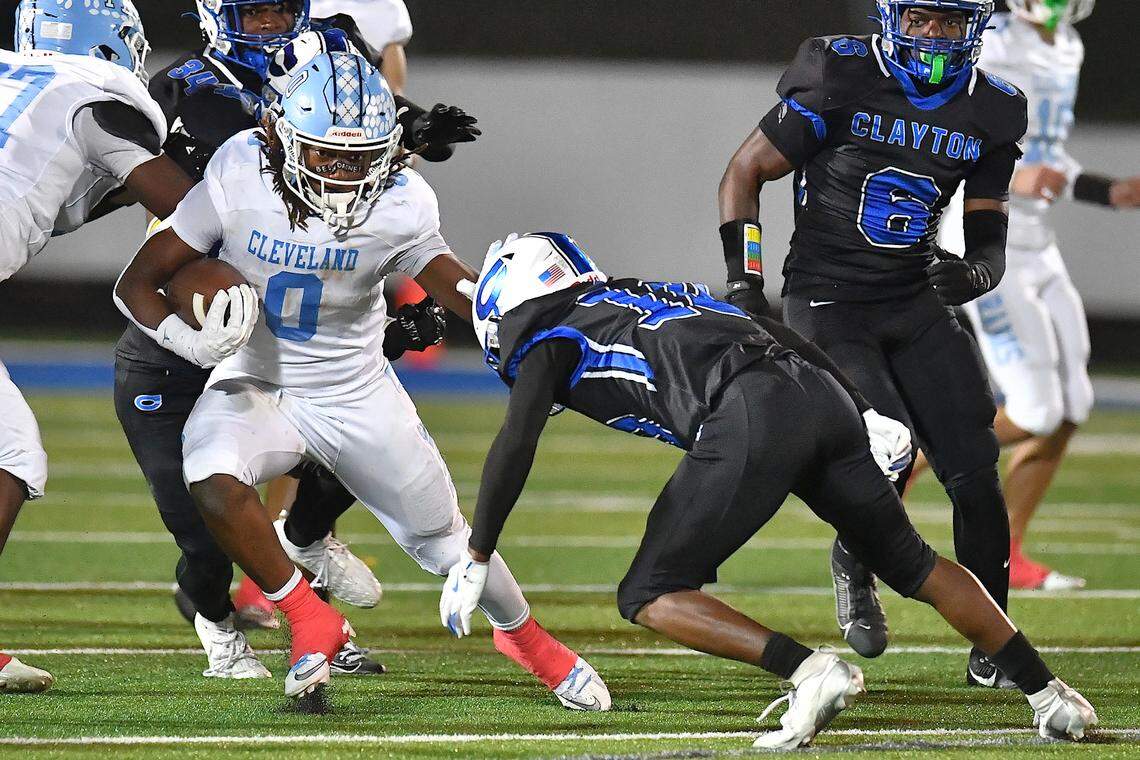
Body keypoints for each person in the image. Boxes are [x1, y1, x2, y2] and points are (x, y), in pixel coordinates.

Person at [444, 231, 1098, 749]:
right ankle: (1049, 694)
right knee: (916, 566)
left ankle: (810, 671)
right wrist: (862, 409)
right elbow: (775, 331)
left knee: (647, 593)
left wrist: (477, 553)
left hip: (750, 410)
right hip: (814, 392)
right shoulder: (642, 291)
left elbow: (517, 441)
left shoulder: (552, 338)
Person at [115, 47, 611, 709]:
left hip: (354, 390)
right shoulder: (238, 172)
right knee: (208, 475)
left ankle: (526, 638)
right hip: (256, 381)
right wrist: (190, 341)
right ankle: (308, 617)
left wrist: (529, 331)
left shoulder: (401, 200)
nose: (345, 174)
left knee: (444, 543)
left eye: (360, 157)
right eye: (327, 154)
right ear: (281, 139)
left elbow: (458, 288)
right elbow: (137, 282)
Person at [111, 0, 477, 679]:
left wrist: (408, 133)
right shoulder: (182, 91)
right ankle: (218, 620)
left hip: (297, 312)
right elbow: (185, 212)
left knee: (355, 435)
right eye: (256, 13)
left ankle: (308, 548)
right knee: (206, 528)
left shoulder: (334, 50)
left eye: (283, 10)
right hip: (200, 308)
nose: (273, 26)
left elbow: (364, 164)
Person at [717, 0, 1027, 687]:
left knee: (976, 471)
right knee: (888, 446)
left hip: (912, 297)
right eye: (922, 19)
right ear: (893, 18)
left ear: (974, 27)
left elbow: (989, 223)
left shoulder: (994, 108)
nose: (935, 35)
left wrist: (978, 270)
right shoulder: (842, 73)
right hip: (828, 297)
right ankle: (854, 563)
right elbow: (744, 172)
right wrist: (746, 284)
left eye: (950, 22)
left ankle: (996, 644)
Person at [0, 0, 198, 693]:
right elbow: (188, 207)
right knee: (10, 451)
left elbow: (47, 202)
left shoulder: (16, 81)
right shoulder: (95, 95)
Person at [915, 0, 1140, 590]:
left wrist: (1104, 190)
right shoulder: (990, 44)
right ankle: (909, 451)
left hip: (1037, 237)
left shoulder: (1067, 45)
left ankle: (1009, 554)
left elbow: (1047, 154)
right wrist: (1014, 178)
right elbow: (940, 136)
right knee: (1037, 408)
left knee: (1072, 408)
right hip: (983, 235)